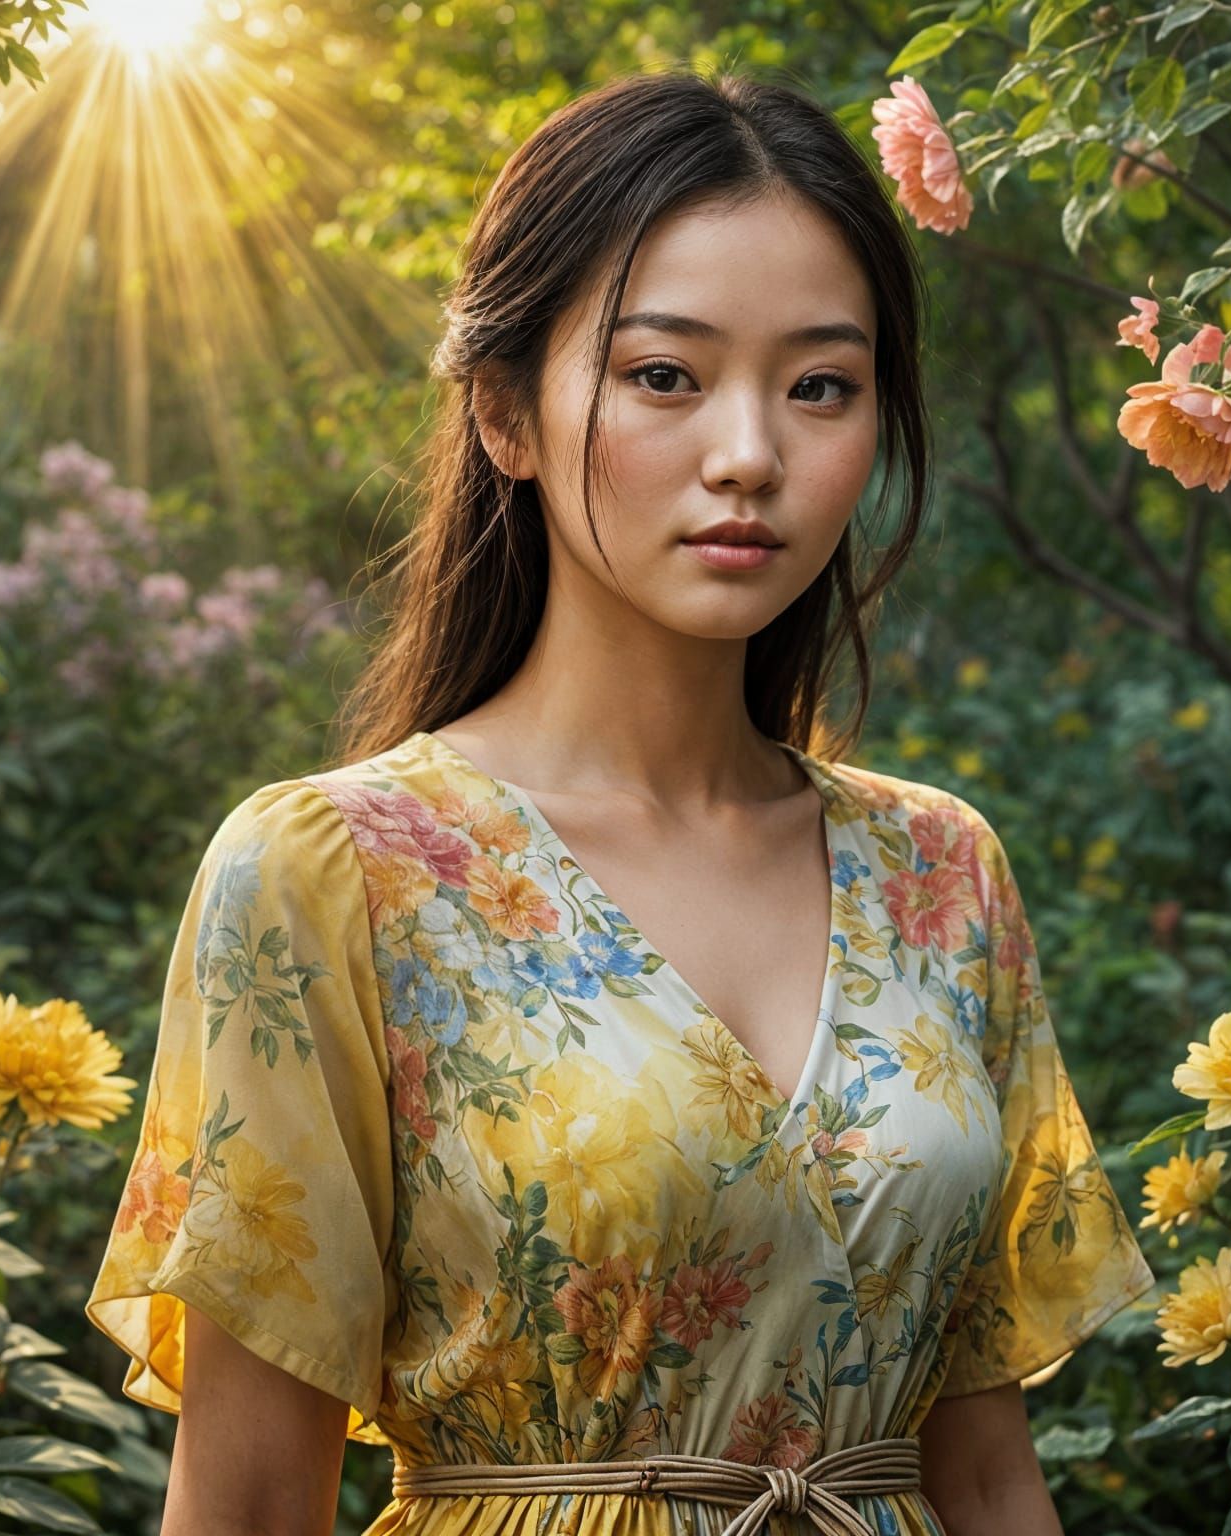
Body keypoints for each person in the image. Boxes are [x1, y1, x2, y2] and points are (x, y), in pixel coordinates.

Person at [85, 65, 1155, 1536]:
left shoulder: (938, 870)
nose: (750, 455)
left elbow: (982, 1475)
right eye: (665, 375)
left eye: (822, 387)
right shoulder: (338, 874)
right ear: (506, 414)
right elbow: (251, 1499)